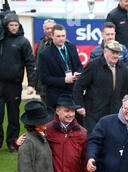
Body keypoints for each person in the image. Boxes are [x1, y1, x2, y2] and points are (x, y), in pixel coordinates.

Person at [73, 40, 127, 133]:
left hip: (113, 113)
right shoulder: (93, 65)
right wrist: (79, 106)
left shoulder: (122, 66)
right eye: (113, 52)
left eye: (117, 53)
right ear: (105, 51)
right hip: (93, 113)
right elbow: (78, 86)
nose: (116, 56)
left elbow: (124, 89)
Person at [0, 13, 35, 153]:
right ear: (6, 26)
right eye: (11, 25)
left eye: (16, 25)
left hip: (14, 85)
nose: (14, 28)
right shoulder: (1, 39)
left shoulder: (23, 41)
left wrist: (31, 83)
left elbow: (30, 63)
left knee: (14, 117)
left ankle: (12, 143)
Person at [38, 24, 82, 110]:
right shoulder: (44, 54)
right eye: (58, 36)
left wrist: (78, 73)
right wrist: (64, 80)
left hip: (72, 93)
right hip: (55, 96)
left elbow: (79, 65)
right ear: (52, 36)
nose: (61, 38)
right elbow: (44, 78)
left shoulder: (71, 47)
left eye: (63, 36)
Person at [34, 19, 56, 104]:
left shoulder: (63, 43)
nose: (50, 30)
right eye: (47, 28)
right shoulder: (41, 42)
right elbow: (37, 63)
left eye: (52, 28)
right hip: (42, 84)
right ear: (44, 30)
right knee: (45, 110)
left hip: (56, 85)